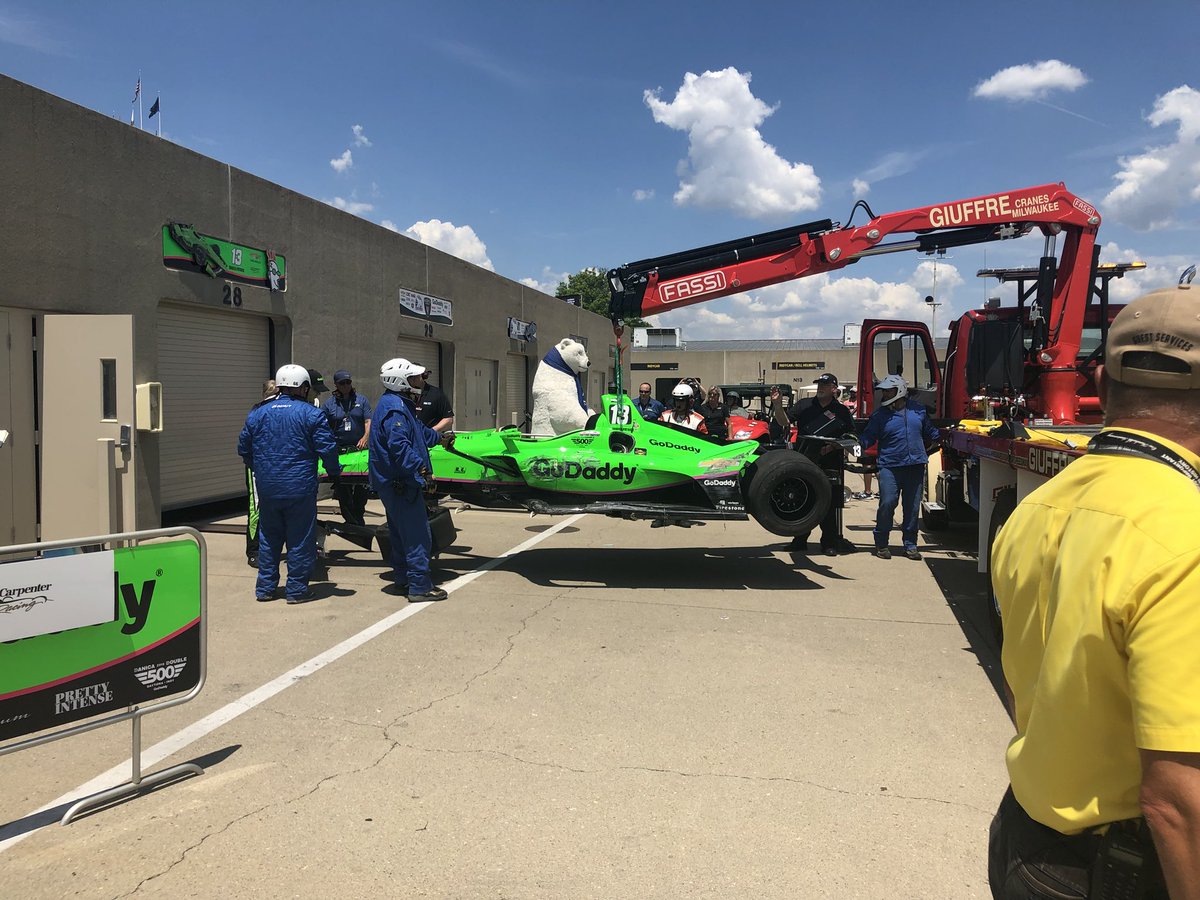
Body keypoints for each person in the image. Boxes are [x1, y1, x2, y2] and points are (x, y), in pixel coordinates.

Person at [987, 284, 1200, 900]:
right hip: (1125, 870)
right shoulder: (1181, 535)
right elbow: (1178, 800)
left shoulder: (1034, 508)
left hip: (1029, 840)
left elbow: (1025, 678)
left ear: (1102, 387)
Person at [238, 364, 342, 604]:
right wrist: (334, 473)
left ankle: (265, 588)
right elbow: (327, 449)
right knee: (300, 539)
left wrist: (262, 468)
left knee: (269, 538)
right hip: (300, 488)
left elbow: (243, 448)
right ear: (303, 388)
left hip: (268, 488)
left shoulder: (258, 413)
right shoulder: (311, 414)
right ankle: (296, 591)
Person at [369, 358, 453, 602]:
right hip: (401, 484)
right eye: (416, 378)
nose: (421, 381)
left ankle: (402, 580)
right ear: (401, 381)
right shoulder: (395, 408)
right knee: (417, 535)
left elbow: (418, 433)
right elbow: (400, 446)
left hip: (395, 483)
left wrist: (441, 439)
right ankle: (419, 587)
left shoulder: (398, 404)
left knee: (399, 533)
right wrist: (423, 471)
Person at [857, 374, 939, 560]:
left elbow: (930, 431)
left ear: (900, 390)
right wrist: (856, 445)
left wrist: (937, 439)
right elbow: (868, 437)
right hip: (890, 466)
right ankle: (881, 544)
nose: (885, 394)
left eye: (888, 390)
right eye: (884, 391)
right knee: (887, 503)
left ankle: (910, 545)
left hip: (915, 465)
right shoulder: (879, 415)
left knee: (911, 507)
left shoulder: (918, 411)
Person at [790, 373, 857, 556]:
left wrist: (833, 446)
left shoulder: (842, 411)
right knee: (803, 500)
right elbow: (782, 421)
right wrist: (778, 405)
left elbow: (851, 436)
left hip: (830, 463)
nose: (820, 387)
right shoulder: (804, 405)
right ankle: (799, 540)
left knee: (828, 503)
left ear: (834, 389)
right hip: (805, 461)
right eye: (819, 384)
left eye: (825, 385)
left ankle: (829, 542)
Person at [322, 369, 372, 526]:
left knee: (361, 487)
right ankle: (350, 519)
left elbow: (368, 422)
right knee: (343, 488)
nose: (346, 386)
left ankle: (358, 515)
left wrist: (365, 437)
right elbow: (323, 426)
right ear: (336, 385)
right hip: (340, 450)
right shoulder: (330, 404)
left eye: (348, 382)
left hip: (359, 449)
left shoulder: (361, 400)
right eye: (342, 383)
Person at [245, 378, 278, 568]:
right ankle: (254, 550)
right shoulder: (256, 412)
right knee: (255, 507)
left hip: (275, 465)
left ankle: (269, 547)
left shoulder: (281, 410)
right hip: (257, 465)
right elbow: (245, 443)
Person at [413, 367, 454, 433]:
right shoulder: (404, 394)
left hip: (430, 440)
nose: (412, 379)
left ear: (423, 376)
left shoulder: (436, 394)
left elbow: (448, 419)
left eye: (414, 376)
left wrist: (431, 432)